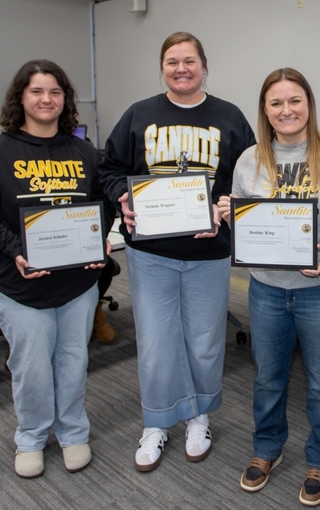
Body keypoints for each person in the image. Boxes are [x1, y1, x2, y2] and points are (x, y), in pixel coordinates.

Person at [98, 31, 255, 472]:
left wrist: (230, 206)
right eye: (172, 62)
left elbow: (249, 177)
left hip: (209, 253)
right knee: (155, 343)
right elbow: (110, 168)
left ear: (204, 66)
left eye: (189, 60)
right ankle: (156, 422)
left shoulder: (229, 116)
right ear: (162, 68)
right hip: (152, 253)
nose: (181, 68)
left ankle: (198, 416)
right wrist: (121, 198)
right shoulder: (138, 114)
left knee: (205, 342)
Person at [0, 60, 115, 479]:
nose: (47, 100)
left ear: (65, 100)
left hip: (77, 284)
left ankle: (72, 432)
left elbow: (105, 201)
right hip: (21, 283)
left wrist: (101, 232)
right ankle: (30, 437)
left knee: (72, 362)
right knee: (30, 368)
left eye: (55, 92)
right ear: (21, 98)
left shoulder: (83, 152)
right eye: (37, 92)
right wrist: (15, 249)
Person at [218, 68, 320, 506]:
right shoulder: (249, 159)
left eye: (295, 100)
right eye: (276, 103)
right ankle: (267, 449)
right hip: (265, 289)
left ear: (309, 104)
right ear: (265, 109)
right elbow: (242, 231)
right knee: (268, 378)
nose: (286, 110)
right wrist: (230, 217)